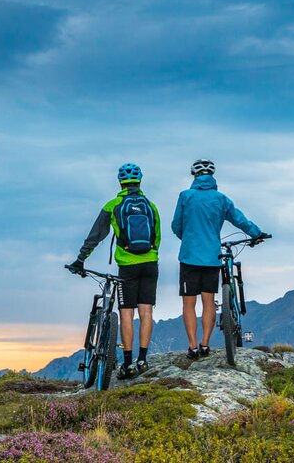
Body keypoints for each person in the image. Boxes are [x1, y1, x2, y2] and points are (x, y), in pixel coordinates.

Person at [69, 163, 161, 379]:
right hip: (150, 263)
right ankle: (143, 360)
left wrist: (80, 259)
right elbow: (156, 237)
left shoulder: (113, 205)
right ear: (140, 181)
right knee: (146, 311)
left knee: (127, 313)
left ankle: (128, 363)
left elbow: (95, 236)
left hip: (127, 266)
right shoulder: (151, 206)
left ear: (120, 182)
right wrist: (150, 254)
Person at [171, 159, 268, 360]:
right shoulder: (221, 199)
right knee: (208, 301)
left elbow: (175, 225)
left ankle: (192, 347)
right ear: (212, 176)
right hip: (212, 257)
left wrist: (188, 238)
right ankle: (205, 344)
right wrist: (256, 233)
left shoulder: (185, 196)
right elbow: (239, 219)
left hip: (189, 257)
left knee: (189, 304)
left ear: (194, 176)